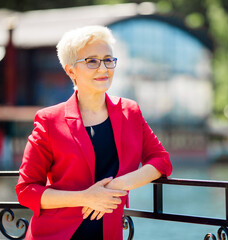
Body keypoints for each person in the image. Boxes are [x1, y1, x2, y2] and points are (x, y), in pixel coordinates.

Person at [15, 25, 172, 240]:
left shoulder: (130, 112)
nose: (103, 68)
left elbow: (160, 160)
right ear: (71, 70)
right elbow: (26, 190)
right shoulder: (49, 120)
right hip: (54, 234)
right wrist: (85, 198)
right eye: (92, 61)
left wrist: (117, 185)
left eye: (108, 59)